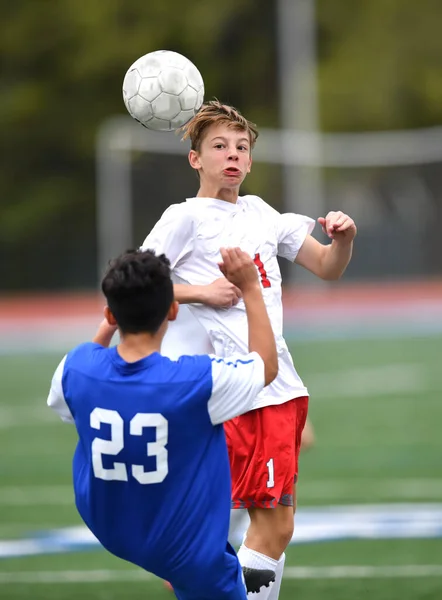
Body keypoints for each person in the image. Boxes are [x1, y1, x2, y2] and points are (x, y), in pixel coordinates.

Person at [141, 100, 357, 600]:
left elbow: (326, 266)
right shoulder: (185, 217)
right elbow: (128, 283)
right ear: (195, 159)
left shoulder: (261, 213)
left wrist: (344, 239)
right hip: (251, 387)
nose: (232, 155)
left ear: (252, 160)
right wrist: (201, 292)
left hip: (278, 385)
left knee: (260, 525)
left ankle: (193, 568)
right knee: (274, 527)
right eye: (219, 146)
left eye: (241, 147)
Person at [46, 247, 280, 600]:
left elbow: (68, 392)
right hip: (182, 544)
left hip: (110, 526)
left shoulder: (77, 367)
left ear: (110, 313)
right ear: (173, 310)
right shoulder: (194, 380)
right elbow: (265, 366)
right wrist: (250, 288)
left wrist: (106, 326)